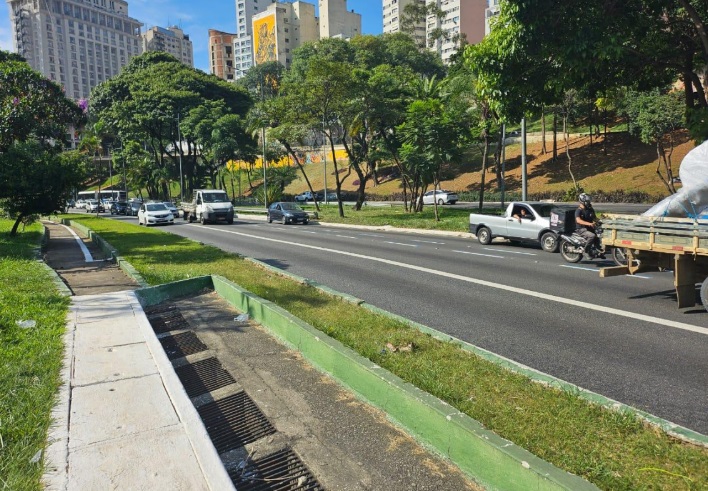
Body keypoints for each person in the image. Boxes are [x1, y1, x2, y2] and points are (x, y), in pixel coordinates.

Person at [575, 193, 605, 258]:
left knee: (598, 235)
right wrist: (589, 223)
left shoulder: (590, 209)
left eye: (589, 201)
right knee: (592, 236)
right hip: (581, 229)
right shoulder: (578, 211)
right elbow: (578, 220)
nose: (589, 202)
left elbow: (594, 218)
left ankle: (598, 251)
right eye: (587, 201)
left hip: (590, 228)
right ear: (582, 201)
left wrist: (601, 221)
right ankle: (586, 251)